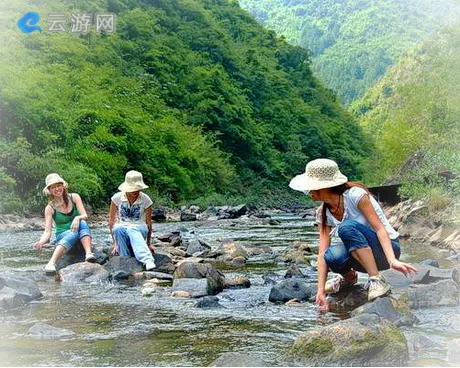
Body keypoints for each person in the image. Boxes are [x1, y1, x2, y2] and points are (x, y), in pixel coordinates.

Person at [289, 158, 417, 311]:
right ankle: (348, 278)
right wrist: (320, 290)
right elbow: (322, 253)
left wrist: (392, 261)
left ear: (324, 186)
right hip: (361, 256)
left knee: (346, 228)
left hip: (386, 249)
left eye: (311, 187)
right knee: (331, 255)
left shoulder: (356, 195)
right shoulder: (323, 213)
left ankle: (376, 279)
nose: (308, 192)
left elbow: (380, 229)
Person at [34, 173, 96, 273]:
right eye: (53, 187)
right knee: (74, 232)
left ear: (63, 186)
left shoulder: (74, 197)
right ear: (49, 190)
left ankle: (88, 254)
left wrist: (77, 218)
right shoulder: (49, 208)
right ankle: (51, 263)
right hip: (62, 234)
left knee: (82, 222)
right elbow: (47, 232)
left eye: (59, 185)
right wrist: (41, 242)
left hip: (79, 229)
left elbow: (84, 215)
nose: (57, 189)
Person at [108, 170, 156, 271]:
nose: (135, 191)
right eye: (133, 189)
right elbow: (111, 221)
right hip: (123, 228)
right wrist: (114, 243)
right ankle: (126, 260)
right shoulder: (117, 198)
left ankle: (147, 259)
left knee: (131, 228)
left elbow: (148, 222)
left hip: (140, 228)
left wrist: (148, 243)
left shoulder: (146, 199)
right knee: (117, 228)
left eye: (138, 188)